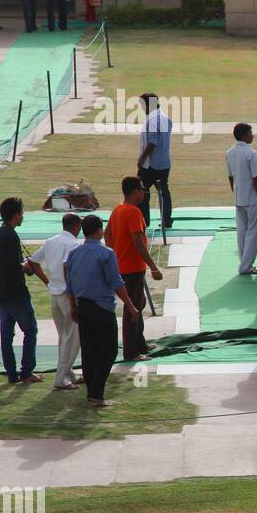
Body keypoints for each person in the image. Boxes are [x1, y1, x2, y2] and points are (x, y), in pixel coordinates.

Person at [66, 214, 140, 407]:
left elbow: (70, 281)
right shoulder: (106, 253)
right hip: (102, 307)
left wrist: (73, 305)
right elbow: (116, 282)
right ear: (99, 231)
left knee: (89, 350)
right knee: (109, 350)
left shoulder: (74, 253)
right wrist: (131, 306)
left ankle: (92, 391)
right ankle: (96, 392)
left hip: (83, 305)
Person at [0, 197, 40, 384]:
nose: (22, 216)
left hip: (0, 294)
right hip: (16, 293)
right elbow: (15, 266)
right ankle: (26, 372)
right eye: (21, 213)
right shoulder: (12, 237)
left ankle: (12, 374)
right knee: (30, 330)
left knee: (6, 337)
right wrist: (26, 267)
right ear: (16, 215)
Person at [105, 177, 163, 361]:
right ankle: (131, 351)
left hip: (124, 266)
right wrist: (153, 267)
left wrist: (115, 254)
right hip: (132, 268)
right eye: (142, 189)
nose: (144, 193)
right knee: (133, 310)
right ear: (134, 191)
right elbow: (138, 243)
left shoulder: (118, 209)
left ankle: (140, 343)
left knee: (139, 304)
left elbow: (107, 234)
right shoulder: (133, 212)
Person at [27, 213, 83, 390]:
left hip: (55, 295)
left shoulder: (51, 241)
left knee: (63, 337)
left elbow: (33, 261)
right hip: (68, 296)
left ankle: (68, 373)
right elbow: (70, 270)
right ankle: (61, 378)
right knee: (72, 338)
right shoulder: (73, 245)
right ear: (76, 227)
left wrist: (48, 282)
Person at [226, 123, 257, 276]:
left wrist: (235, 192)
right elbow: (256, 179)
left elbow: (230, 177)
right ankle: (245, 266)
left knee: (242, 231)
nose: (252, 135)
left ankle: (244, 263)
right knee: (253, 231)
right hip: (252, 198)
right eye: (250, 133)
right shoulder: (251, 154)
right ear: (244, 135)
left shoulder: (229, 152)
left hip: (239, 196)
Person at [136, 92, 174, 229]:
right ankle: (166, 220)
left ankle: (144, 221)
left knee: (142, 193)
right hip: (164, 162)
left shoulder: (153, 120)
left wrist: (141, 159)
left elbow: (152, 142)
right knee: (164, 192)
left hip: (150, 165)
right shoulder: (165, 118)